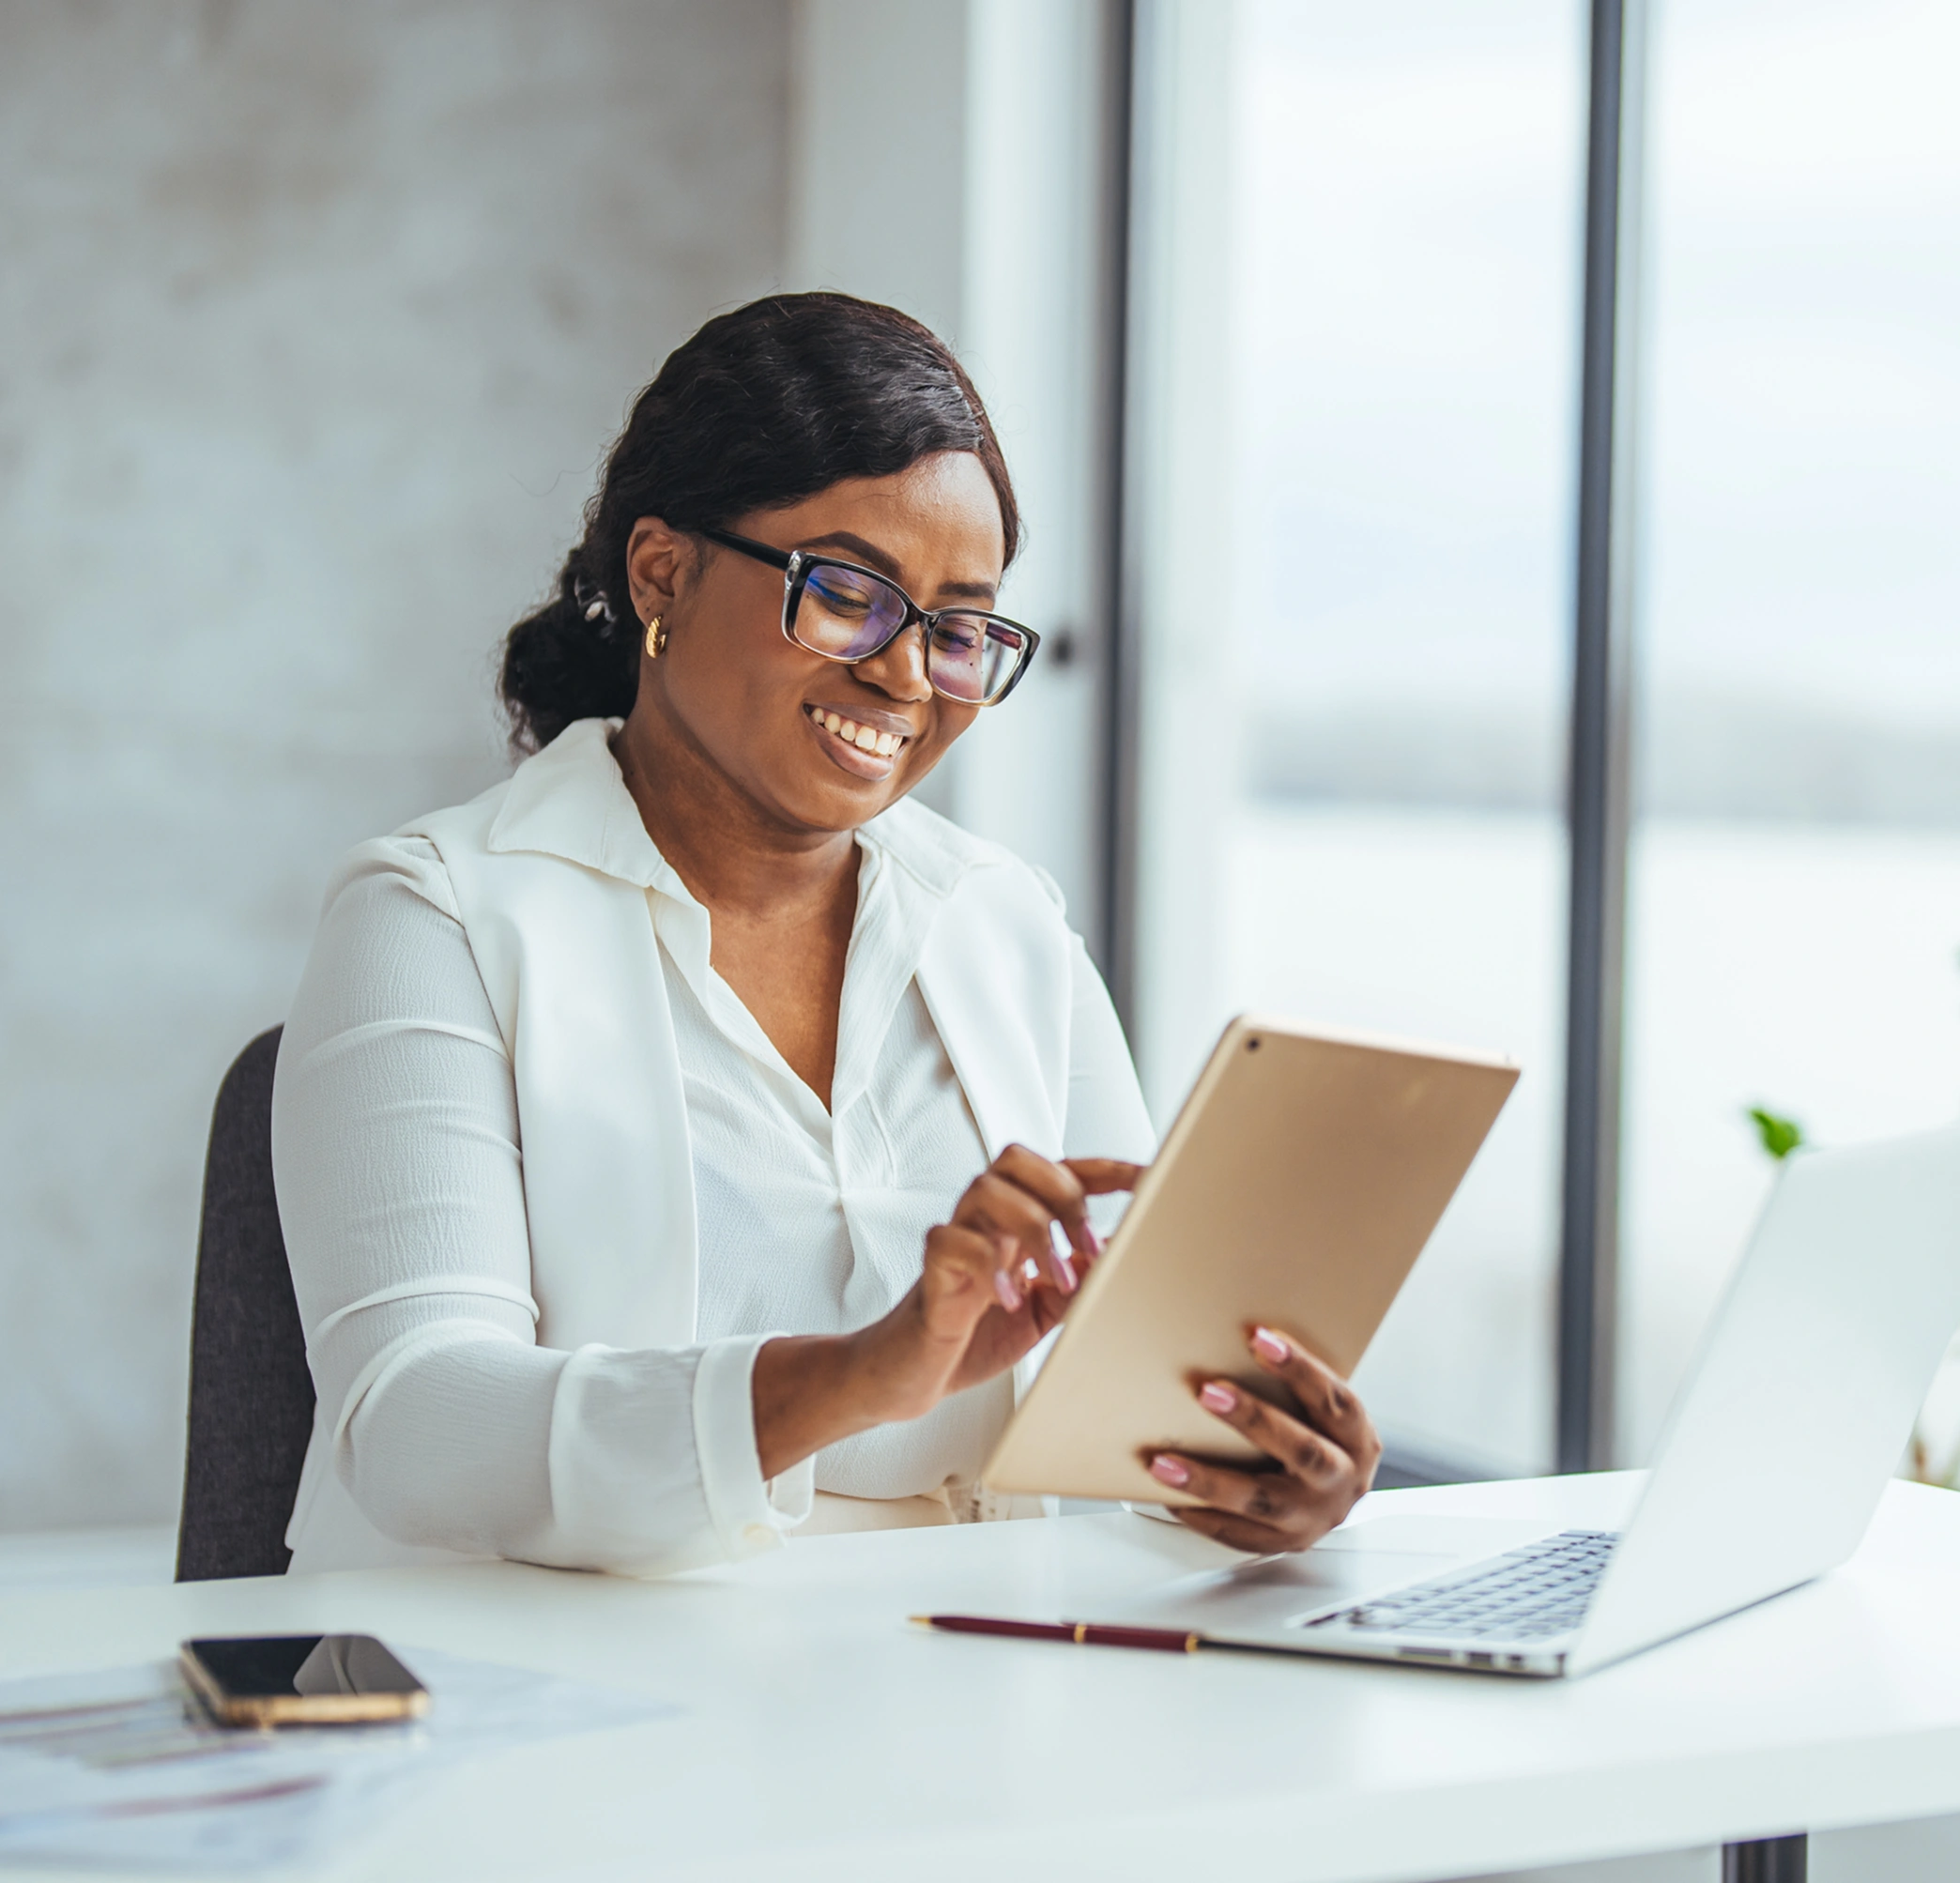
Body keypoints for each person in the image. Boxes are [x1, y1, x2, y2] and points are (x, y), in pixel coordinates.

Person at [271, 291, 1381, 1576]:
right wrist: (858, 1374)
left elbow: (1137, 1389)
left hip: (944, 1695)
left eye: (959, 629)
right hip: (544, 1709)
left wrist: (1252, 1469)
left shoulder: (1003, 926)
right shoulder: (434, 916)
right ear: (661, 573)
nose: (906, 676)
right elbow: (415, 1423)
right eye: (849, 593)